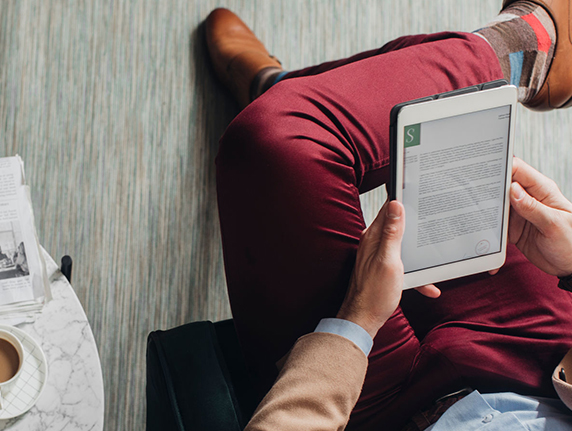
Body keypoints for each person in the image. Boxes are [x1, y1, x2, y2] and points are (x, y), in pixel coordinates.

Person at [206, 1, 572, 430]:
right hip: (541, 364)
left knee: (274, 141)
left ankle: (520, 55)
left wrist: (357, 318)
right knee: (443, 135)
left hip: (370, 411)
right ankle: (513, 58)